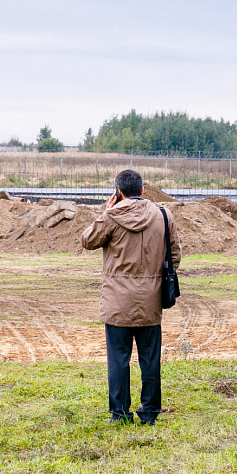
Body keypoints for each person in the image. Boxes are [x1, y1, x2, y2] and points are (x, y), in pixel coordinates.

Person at [81, 169, 181, 425]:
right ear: (143, 190)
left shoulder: (111, 217)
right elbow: (175, 256)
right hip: (151, 300)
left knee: (118, 360)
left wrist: (105, 212)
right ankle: (149, 412)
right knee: (150, 360)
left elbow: (88, 240)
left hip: (117, 302)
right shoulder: (163, 215)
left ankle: (120, 413)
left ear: (118, 192)